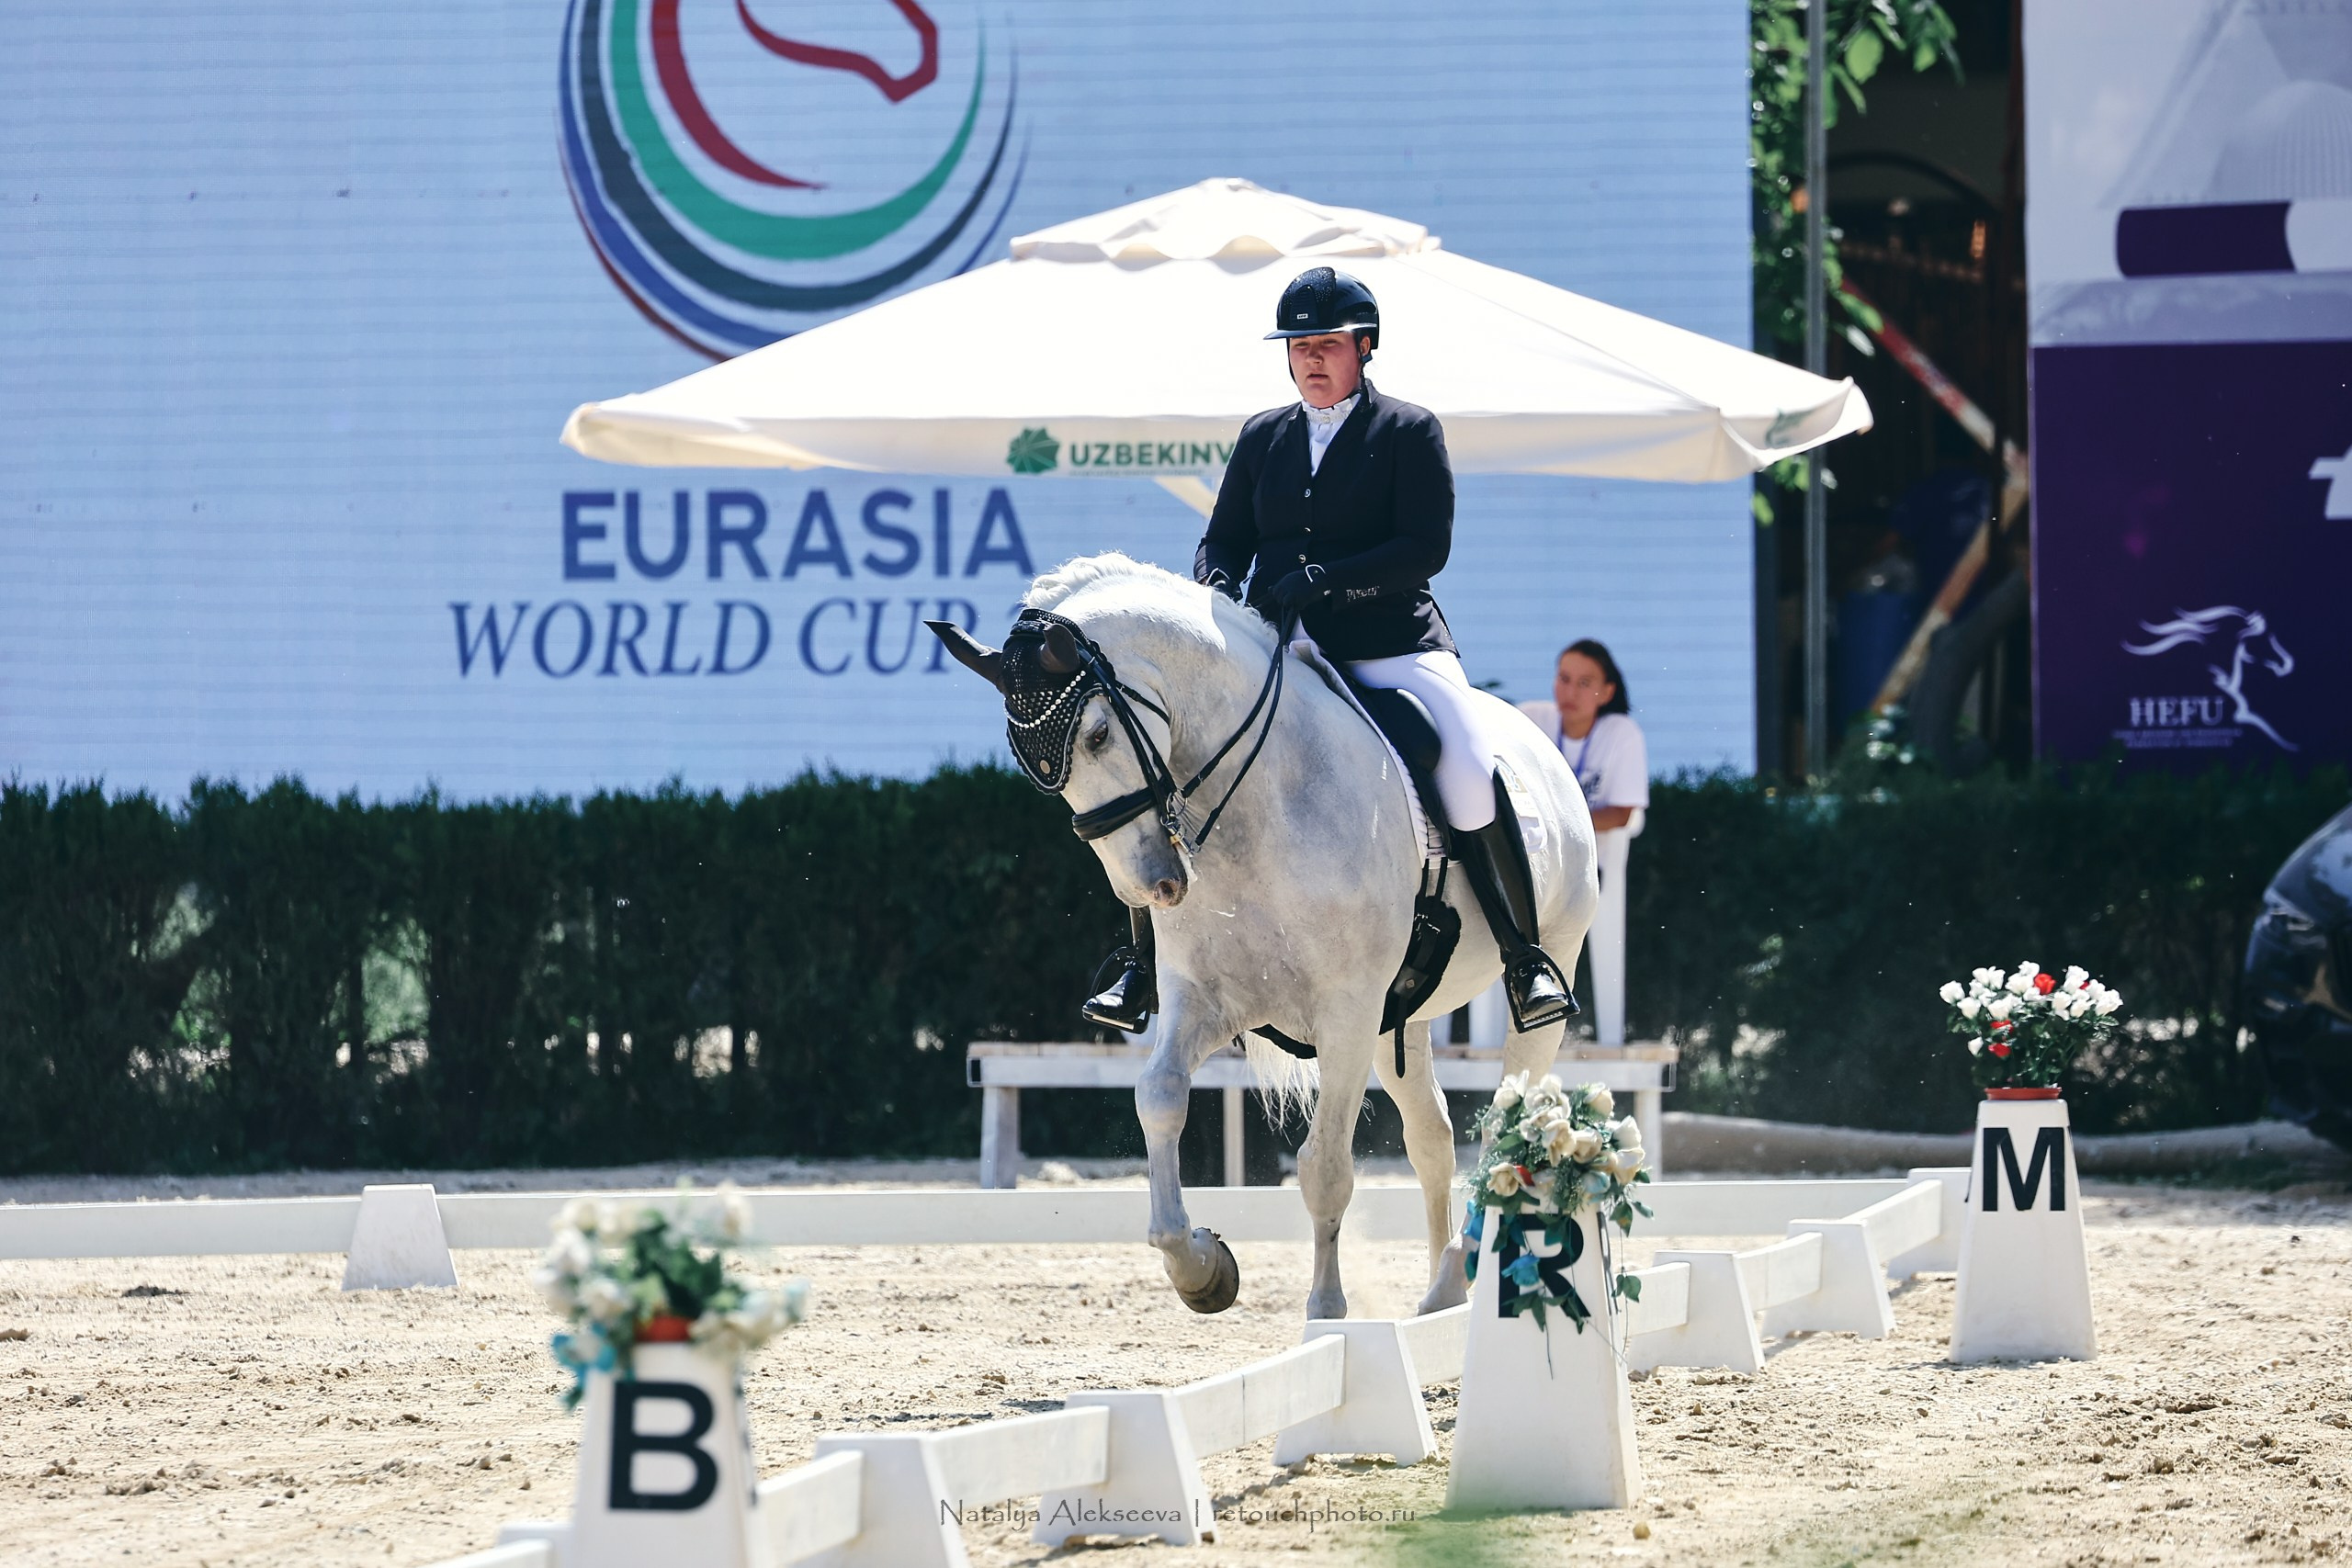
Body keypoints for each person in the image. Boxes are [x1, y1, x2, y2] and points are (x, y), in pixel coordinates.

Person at [1082, 265, 1576, 1036]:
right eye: (1299, 345)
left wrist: (1325, 579)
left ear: (1364, 347)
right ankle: (1141, 966)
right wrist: (1215, 585)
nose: (1310, 358)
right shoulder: (1263, 435)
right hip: (1280, 649)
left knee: (1468, 764)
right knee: (1172, 769)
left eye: (1327, 345)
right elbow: (1226, 537)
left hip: (1390, 647)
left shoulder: (1409, 431)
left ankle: (1523, 956)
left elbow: (1425, 547)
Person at [1518, 639, 1648, 1045]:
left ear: (1607, 691)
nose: (1569, 692)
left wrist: (1560, 822)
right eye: (1563, 678)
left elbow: (1623, 813)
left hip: (1592, 867)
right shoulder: (1529, 719)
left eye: (1584, 682)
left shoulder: (1620, 733)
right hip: (1531, 864)